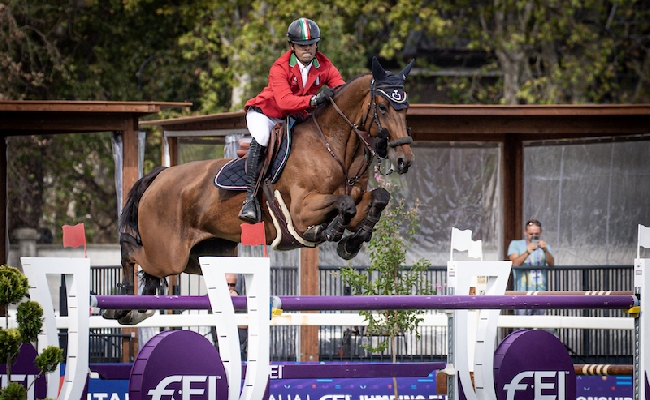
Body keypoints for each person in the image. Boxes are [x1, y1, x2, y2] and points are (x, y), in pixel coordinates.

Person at [239, 17, 346, 223]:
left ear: (317, 44)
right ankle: (250, 199)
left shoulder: (324, 65)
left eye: (311, 44)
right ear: (292, 46)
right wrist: (315, 99)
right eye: (302, 45)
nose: (307, 49)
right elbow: (285, 101)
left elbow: (340, 87)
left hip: (294, 117)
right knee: (261, 136)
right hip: (266, 113)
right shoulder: (279, 67)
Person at [507, 219, 555, 318]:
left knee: (540, 324)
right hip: (522, 292)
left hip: (541, 292)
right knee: (522, 324)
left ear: (540, 232)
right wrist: (527, 252)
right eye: (531, 234)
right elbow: (514, 263)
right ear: (525, 232)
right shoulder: (516, 244)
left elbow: (551, 263)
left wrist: (545, 250)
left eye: (536, 234)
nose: (533, 236)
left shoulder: (545, 246)